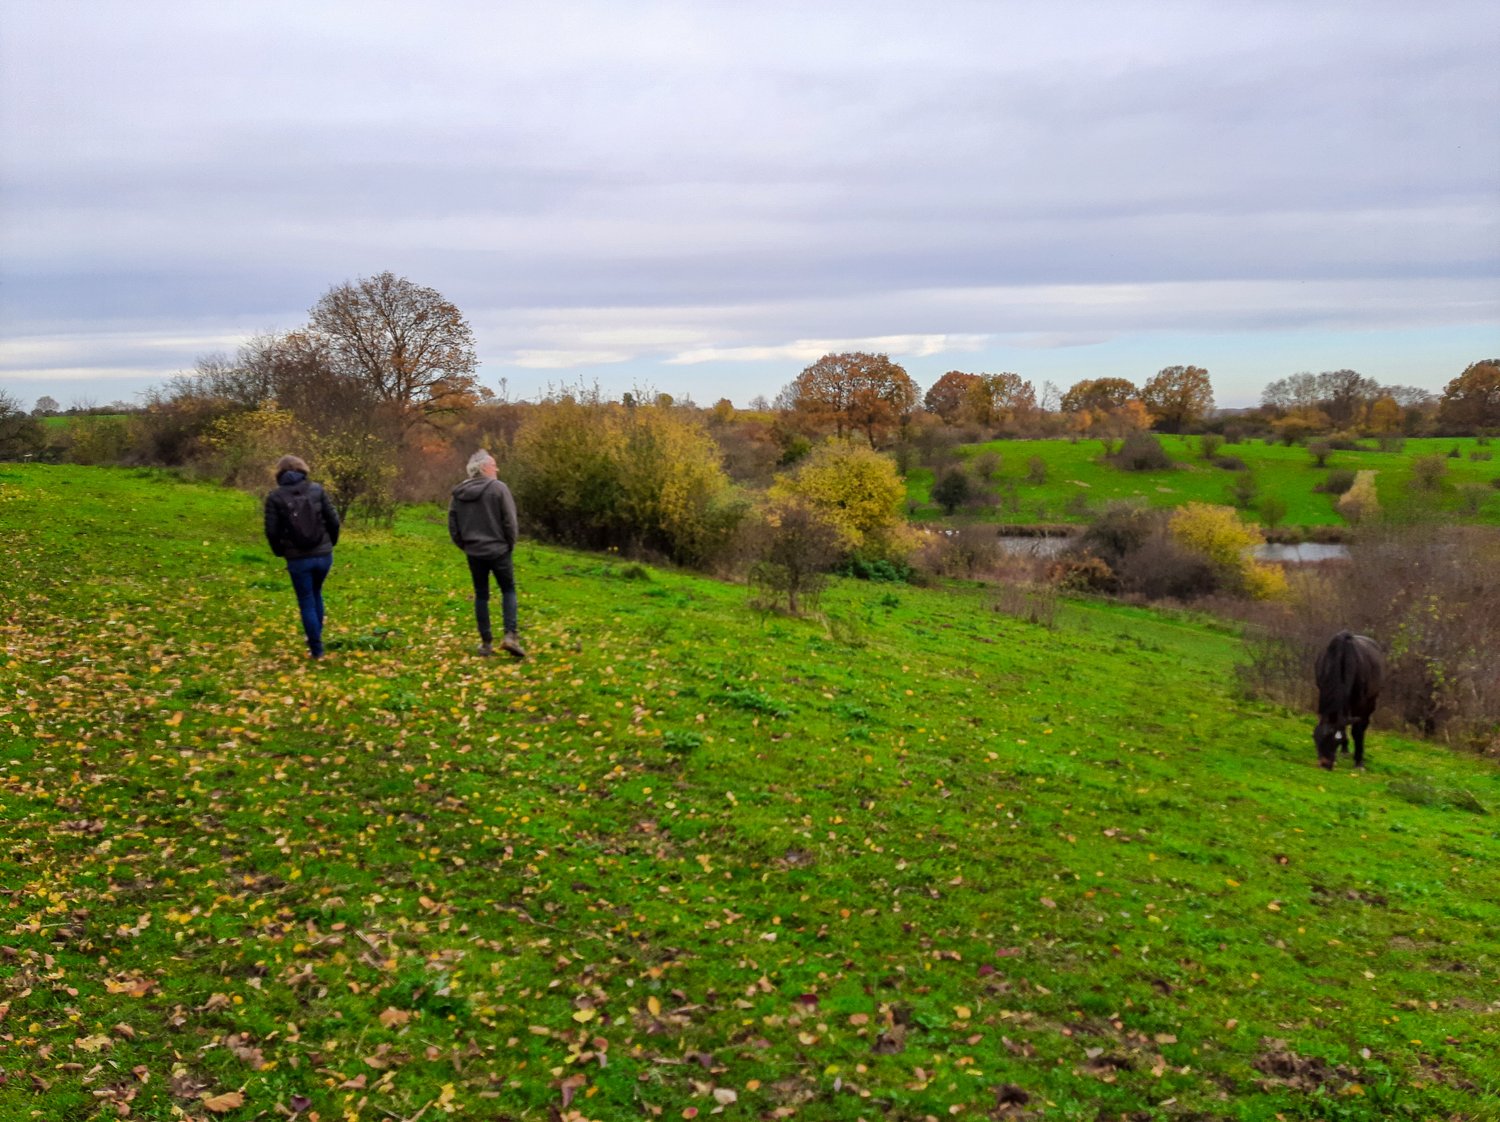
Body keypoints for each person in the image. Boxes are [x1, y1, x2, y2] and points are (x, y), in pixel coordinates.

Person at [449, 449, 525, 658]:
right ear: (484, 468)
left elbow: (453, 526)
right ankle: (510, 635)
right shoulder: (499, 489)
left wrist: (466, 546)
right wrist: (509, 544)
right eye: (494, 465)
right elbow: (510, 521)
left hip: (474, 552)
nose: (497, 468)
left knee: (481, 595)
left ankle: (486, 643)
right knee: (508, 590)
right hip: (499, 550)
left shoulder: (459, 493)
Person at [263, 454, 340, 660]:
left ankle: (316, 649)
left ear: (278, 473)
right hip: (323, 555)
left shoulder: (275, 497)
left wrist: (280, 551)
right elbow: (333, 520)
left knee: (306, 599)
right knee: (316, 592)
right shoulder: (317, 490)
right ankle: (316, 636)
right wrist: (330, 543)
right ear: (303, 469)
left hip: (298, 559)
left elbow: (272, 531)